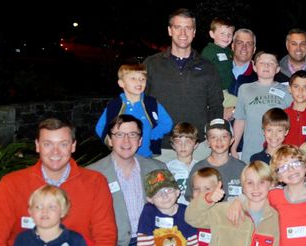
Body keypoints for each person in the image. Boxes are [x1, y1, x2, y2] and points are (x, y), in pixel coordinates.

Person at [0, 118, 119, 246]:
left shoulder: (95, 182)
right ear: (37, 146)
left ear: (73, 146)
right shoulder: (11, 184)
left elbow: (106, 235)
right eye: (47, 144)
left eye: (63, 144)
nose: (55, 152)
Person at [88, 114, 168, 246]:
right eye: (119, 134)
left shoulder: (156, 169)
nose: (126, 140)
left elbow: (169, 211)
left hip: (155, 243)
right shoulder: (92, 175)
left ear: (140, 140)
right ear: (109, 139)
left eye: (132, 134)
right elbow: (87, 226)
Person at [144, 8, 223, 159]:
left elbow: (216, 106)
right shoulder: (151, 64)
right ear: (169, 30)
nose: (183, 33)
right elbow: (140, 101)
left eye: (188, 28)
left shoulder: (208, 67)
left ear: (194, 32)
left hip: (198, 148)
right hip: (159, 148)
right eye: (178, 27)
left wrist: (212, 135)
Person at [96, 63, 174, 158]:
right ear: (122, 83)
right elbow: (100, 127)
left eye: (142, 79)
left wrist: (151, 135)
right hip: (120, 156)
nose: (139, 82)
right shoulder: (114, 105)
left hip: (145, 155)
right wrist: (110, 140)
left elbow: (167, 123)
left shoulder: (151, 103)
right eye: (133, 78)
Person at [232, 51, 293, 161]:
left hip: (279, 153)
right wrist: (233, 147)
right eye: (262, 63)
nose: (266, 65)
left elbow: (291, 122)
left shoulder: (287, 91)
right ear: (254, 67)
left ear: (278, 69)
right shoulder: (245, 89)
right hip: (251, 151)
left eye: (271, 63)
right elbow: (240, 119)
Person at [185, 119, 246, 203]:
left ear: (232, 140)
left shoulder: (242, 168)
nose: (219, 141)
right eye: (213, 137)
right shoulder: (198, 168)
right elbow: (192, 199)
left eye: (224, 136)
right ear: (207, 142)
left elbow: (249, 197)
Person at [165, 122, 199, 205]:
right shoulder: (167, 168)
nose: (183, 146)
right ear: (173, 145)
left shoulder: (201, 166)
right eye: (178, 142)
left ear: (195, 145)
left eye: (187, 142)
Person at [200, 18, 234, 90]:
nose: (226, 37)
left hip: (231, 88)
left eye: (229, 34)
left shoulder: (230, 52)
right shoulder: (209, 51)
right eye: (222, 33)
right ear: (212, 34)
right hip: (217, 91)